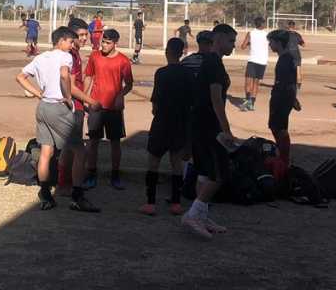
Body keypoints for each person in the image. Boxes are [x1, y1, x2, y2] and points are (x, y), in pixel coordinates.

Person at [16, 26, 100, 213]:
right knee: (80, 151)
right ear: (61, 41)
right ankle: (77, 197)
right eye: (70, 41)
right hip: (58, 107)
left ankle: (45, 195)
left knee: (47, 151)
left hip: (43, 106)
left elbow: (20, 77)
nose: (72, 45)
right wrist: (68, 95)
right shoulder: (65, 56)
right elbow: (64, 75)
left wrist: (38, 93)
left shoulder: (40, 57)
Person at [181, 24, 238, 239]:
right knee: (218, 173)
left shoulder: (212, 61)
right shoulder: (213, 63)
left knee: (204, 172)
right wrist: (226, 130)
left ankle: (201, 215)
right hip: (208, 125)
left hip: (200, 122)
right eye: (231, 41)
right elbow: (216, 100)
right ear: (220, 39)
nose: (233, 46)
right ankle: (194, 214)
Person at [140, 37, 192, 216]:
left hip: (162, 122)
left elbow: (155, 103)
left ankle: (150, 202)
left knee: (153, 162)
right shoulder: (188, 74)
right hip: (179, 123)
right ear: (182, 52)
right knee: (176, 163)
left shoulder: (161, 73)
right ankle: (176, 203)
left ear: (167, 52)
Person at [54, 18, 99, 198]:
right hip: (72, 107)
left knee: (68, 148)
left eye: (85, 35)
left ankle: (64, 183)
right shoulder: (70, 56)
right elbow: (71, 87)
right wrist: (91, 102)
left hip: (76, 105)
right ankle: (75, 188)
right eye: (80, 35)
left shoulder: (75, 53)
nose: (84, 38)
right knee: (79, 150)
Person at [84, 29, 134, 190]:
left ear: (115, 44)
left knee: (115, 143)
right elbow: (89, 76)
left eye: (107, 42)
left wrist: (121, 94)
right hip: (96, 106)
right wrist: (85, 97)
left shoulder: (123, 61)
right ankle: (91, 174)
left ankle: (115, 175)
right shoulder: (94, 56)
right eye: (103, 42)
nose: (104, 45)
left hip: (114, 109)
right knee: (93, 141)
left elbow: (129, 84)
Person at [267, 29, 297, 166]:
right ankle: (283, 156)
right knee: (276, 126)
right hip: (285, 96)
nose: (269, 45)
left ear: (278, 43)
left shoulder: (285, 59)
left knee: (278, 128)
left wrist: (287, 98)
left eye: (271, 42)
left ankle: (284, 159)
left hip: (281, 98)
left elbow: (286, 83)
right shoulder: (287, 57)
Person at [238, 17, 268, 111]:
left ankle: (248, 100)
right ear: (262, 24)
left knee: (248, 82)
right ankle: (251, 104)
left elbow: (242, 46)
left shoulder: (250, 33)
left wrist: (250, 43)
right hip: (262, 61)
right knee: (256, 83)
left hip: (253, 60)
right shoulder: (267, 35)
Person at [285, 20, 306, 110]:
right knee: (298, 70)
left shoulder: (284, 34)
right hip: (296, 55)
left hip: (288, 56)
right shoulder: (297, 35)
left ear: (288, 26)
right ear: (294, 27)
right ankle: (299, 84)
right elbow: (304, 44)